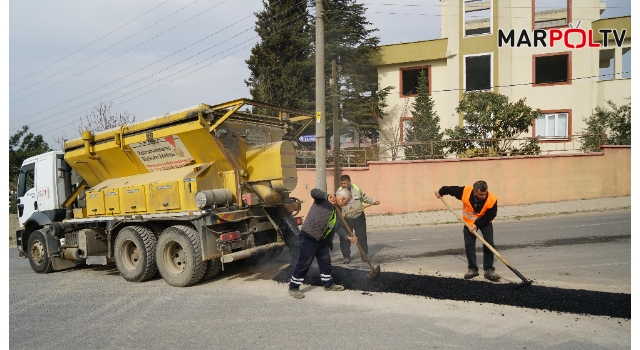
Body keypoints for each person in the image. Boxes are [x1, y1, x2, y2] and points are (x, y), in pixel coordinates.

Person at [288, 188, 358, 299]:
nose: (347, 203)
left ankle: (328, 285)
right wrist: (327, 196)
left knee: (325, 262)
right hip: (309, 237)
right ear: (343, 198)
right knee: (304, 262)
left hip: (322, 240)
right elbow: (314, 192)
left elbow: (338, 227)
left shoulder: (338, 210)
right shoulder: (323, 200)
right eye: (347, 201)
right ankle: (293, 287)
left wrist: (348, 237)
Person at [435, 180, 500, 281]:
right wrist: (440, 192)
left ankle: (489, 270)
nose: (483, 196)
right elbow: (450, 189)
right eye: (481, 194)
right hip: (469, 223)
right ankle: (473, 269)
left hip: (485, 222)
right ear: (474, 191)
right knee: (469, 245)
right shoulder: (465, 191)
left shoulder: (492, 199)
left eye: (485, 193)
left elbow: (491, 215)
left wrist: (477, 224)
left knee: (489, 243)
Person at [338, 174, 379, 264]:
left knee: (362, 236)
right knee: (345, 238)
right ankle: (346, 256)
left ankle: (364, 255)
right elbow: (337, 206)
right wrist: (341, 214)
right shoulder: (339, 192)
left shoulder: (356, 188)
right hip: (347, 219)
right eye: (342, 183)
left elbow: (363, 197)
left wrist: (373, 201)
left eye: (345, 183)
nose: (343, 185)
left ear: (349, 182)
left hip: (359, 216)